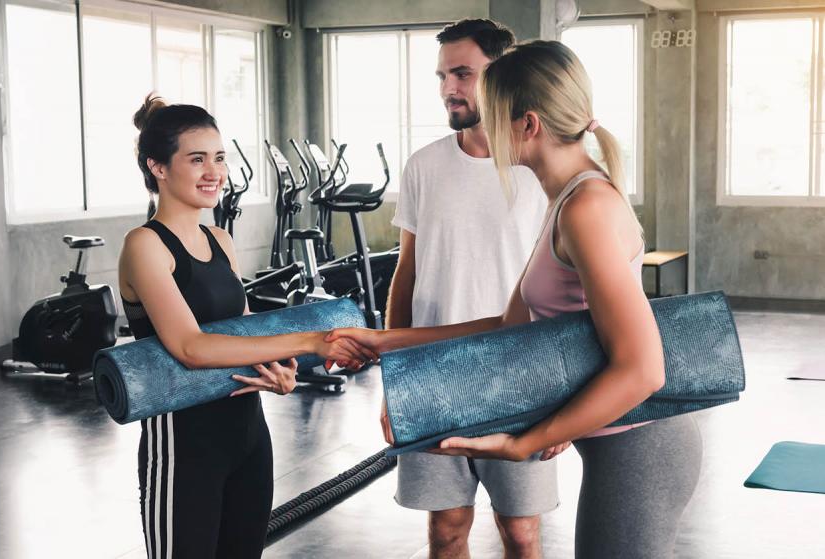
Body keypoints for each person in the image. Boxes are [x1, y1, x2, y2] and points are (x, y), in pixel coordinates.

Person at [332, 41, 703, 558]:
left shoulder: (585, 207)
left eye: (493, 114)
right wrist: (384, 339)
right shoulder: (565, 199)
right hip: (618, 445)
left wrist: (525, 443)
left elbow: (643, 371)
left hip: (640, 445)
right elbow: (508, 328)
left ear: (527, 126)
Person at [118, 95, 374, 559]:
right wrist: (312, 340)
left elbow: (246, 330)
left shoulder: (219, 239)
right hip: (183, 448)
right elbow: (190, 346)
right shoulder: (144, 245)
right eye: (197, 159)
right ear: (157, 167)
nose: (214, 171)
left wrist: (281, 368)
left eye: (219, 157)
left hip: (248, 436)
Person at [382, 19, 554, 559]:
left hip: (519, 376)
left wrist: (564, 393)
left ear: (501, 77)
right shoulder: (423, 166)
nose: (448, 88)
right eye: (441, 76)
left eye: (463, 73)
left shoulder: (537, 168)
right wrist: (396, 378)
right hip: (433, 374)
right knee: (447, 530)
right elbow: (406, 273)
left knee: (522, 534)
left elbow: (566, 290)